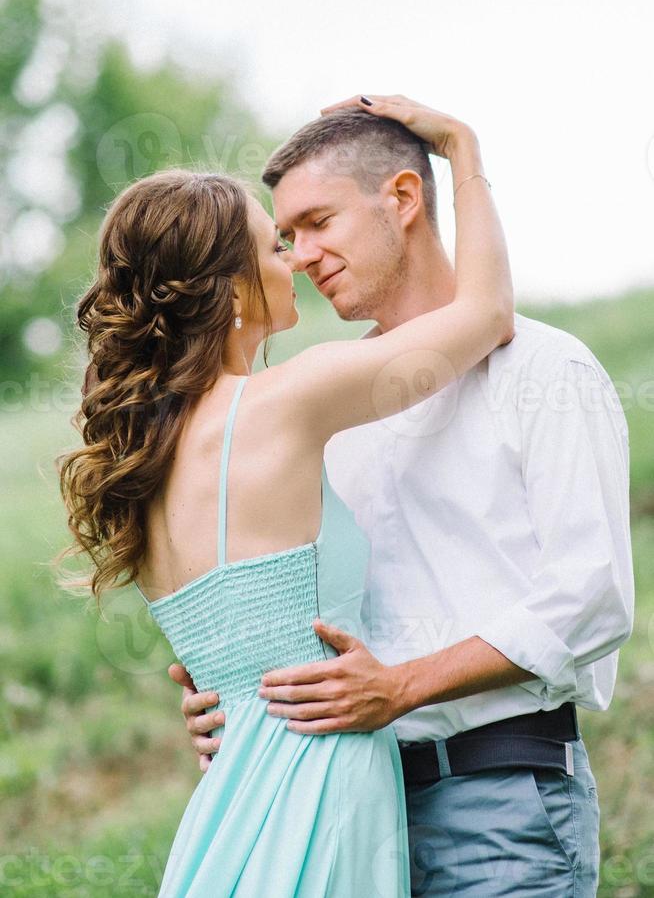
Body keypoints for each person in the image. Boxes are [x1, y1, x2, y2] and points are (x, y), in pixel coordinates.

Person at [175, 95, 635, 896]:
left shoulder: (544, 373)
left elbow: (592, 597)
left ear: (403, 198)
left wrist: (404, 687)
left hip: (502, 806)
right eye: (286, 238)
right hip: (352, 813)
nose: (302, 255)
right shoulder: (332, 411)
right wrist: (235, 695)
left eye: (318, 222)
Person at [57, 98, 514, 896]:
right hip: (319, 789)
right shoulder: (285, 401)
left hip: (228, 801)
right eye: (275, 245)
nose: (297, 260)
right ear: (233, 286)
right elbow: (486, 315)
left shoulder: (146, 462)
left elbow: (231, 667)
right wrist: (462, 151)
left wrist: (219, 701)